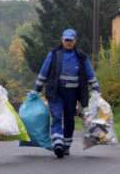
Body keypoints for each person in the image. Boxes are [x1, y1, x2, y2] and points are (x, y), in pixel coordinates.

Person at [34, 28, 100, 158]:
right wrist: (37, 88)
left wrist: (96, 89)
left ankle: (66, 146)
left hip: (72, 94)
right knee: (57, 116)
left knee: (69, 119)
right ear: (62, 40)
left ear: (75, 41)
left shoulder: (81, 57)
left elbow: (90, 74)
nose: (68, 42)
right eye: (66, 40)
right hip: (56, 92)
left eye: (71, 40)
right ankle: (58, 143)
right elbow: (44, 72)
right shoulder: (53, 54)